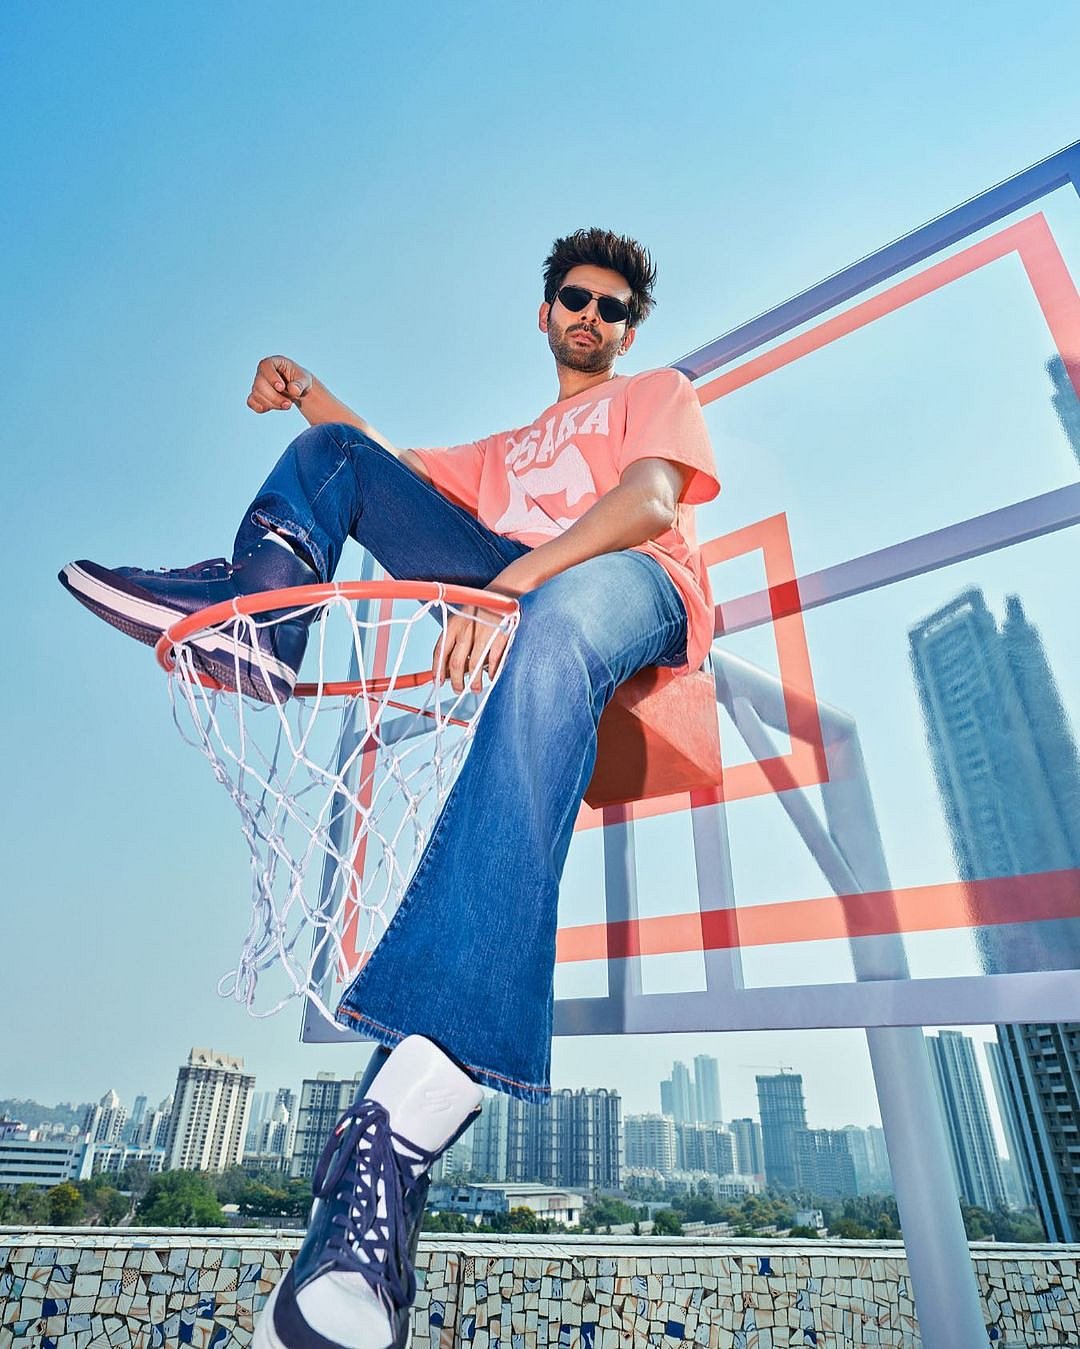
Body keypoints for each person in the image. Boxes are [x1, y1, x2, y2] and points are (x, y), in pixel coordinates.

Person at [59, 228, 720, 1349]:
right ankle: (263, 615)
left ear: (631, 331)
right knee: (342, 461)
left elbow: (652, 503)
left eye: (614, 309)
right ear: (546, 307)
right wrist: (306, 387)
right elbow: (378, 461)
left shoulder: (652, 393)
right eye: (576, 298)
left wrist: (507, 584)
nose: (593, 319)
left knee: (554, 626)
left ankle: (410, 1110)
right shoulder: (504, 446)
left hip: (622, 586)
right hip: (506, 582)